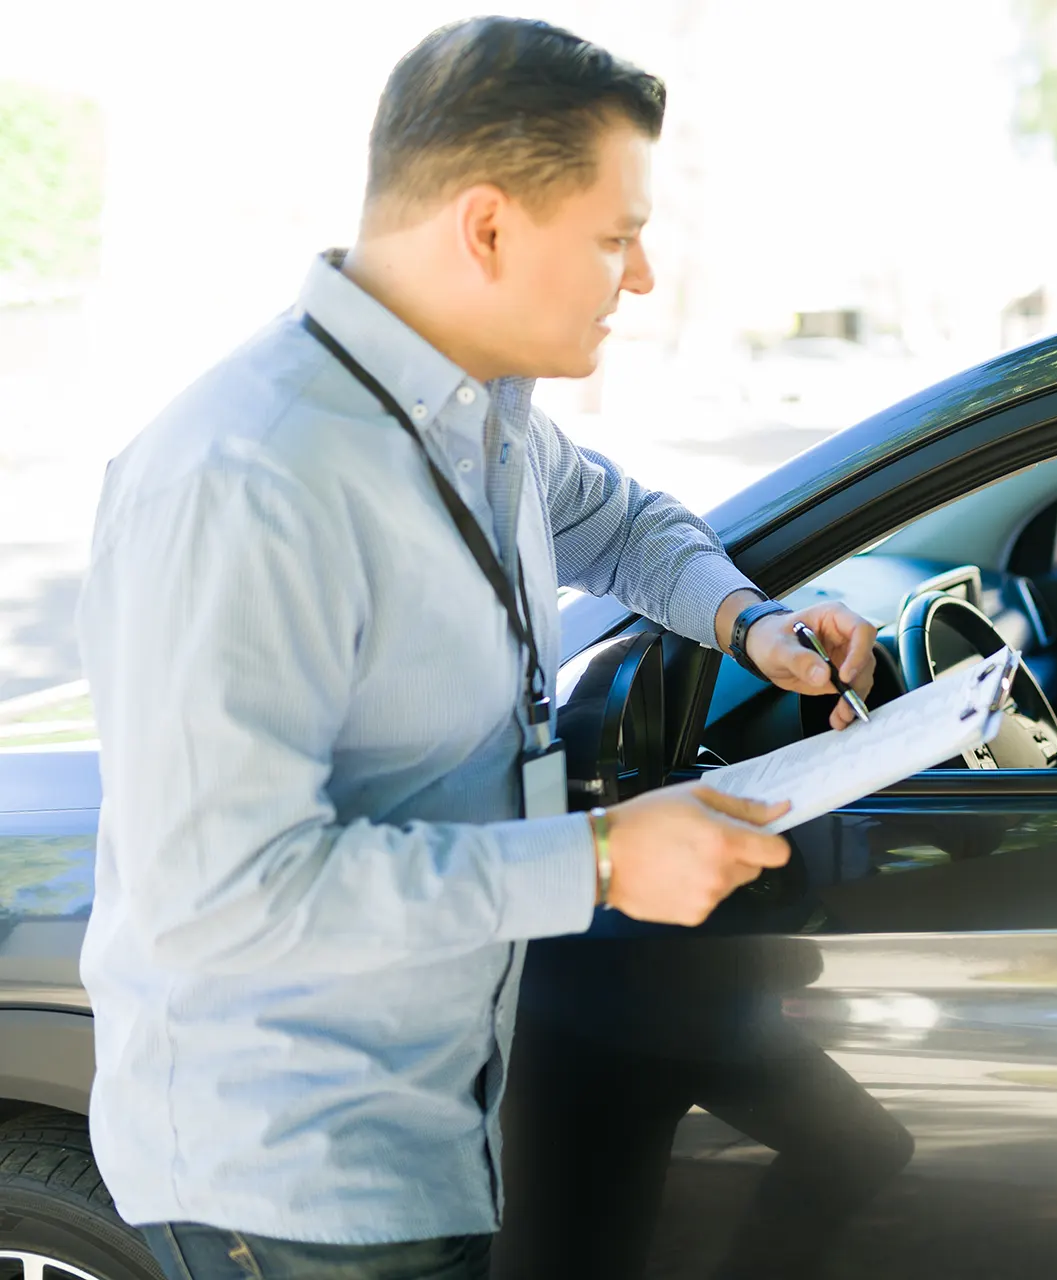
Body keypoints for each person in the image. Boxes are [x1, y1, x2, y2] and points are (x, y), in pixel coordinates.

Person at [74, 17, 877, 1279]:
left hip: (430, 1128)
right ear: (489, 227)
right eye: (617, 238)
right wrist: (603, 861)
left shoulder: (477, 415)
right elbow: (229, 897)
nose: (645, 278)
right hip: (290, 1187)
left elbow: (622, 523)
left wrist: (751, 625)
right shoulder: (248, 479)